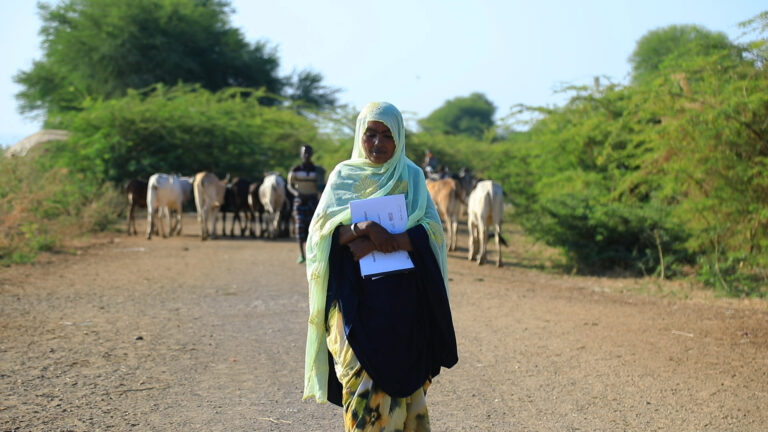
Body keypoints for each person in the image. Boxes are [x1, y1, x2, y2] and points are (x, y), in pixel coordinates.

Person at [303, 102, 458, 431]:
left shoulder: (411, 177)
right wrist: (364, 228)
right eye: (371, 134)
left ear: (399, 138)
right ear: (360, 135)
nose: (378, 143)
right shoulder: (343, 177)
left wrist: (390, 241)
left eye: (387, 135)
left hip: (403, 302)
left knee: (405, 376)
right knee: (359, 377)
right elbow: (320, 235)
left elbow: (433, 232)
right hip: (354, 300)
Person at [287, 145, 325, 264]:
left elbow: (322, 186)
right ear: (301, 155)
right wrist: (297, 194)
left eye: (309, 153)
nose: (307, 155)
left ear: (312, 154)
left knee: (313, 227)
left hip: (313, 201)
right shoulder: (295, 170)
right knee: (299, 226)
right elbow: (289, 185)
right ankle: (302, 254)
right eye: (305, 153)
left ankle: (312, 253)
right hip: (299, 201)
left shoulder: (317, 171)